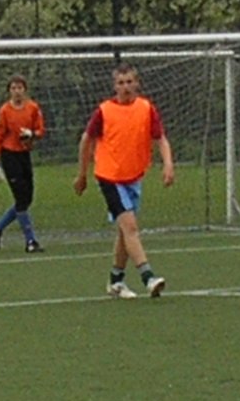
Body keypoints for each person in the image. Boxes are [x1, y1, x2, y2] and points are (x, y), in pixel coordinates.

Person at [73, 62, 174, 299]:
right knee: (131, 227)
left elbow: (160, 138)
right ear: (114, 86)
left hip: (133, 177)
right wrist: (82, 174)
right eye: (121, 83)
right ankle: (148, 277)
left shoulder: (146, 109)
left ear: (137, 83)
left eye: (129, 82)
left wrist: (168, 164)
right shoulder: (104, 111)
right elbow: (86, 140)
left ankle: (116, 280)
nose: (125, 87)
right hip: (110, 176)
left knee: (124, 232)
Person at [0, 74, 46, 253]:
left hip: (24, 155)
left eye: (20, 88)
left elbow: (40, 130)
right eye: (13, 88)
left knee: (27, 199)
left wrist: (32, 134)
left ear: (25, 90)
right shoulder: (5, 111)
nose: (17, 91)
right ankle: (30, 241)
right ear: (9, 91)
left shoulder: (33, 108)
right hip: (9, 156)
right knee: (21, 198)